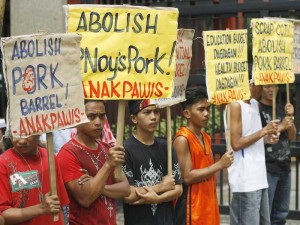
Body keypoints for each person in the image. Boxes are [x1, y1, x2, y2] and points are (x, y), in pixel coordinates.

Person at [57, 99, 130, 225]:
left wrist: (97, 185)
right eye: (91, 116)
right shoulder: (67, 153)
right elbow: (85, 198)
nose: (98, 122)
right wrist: (108, 165)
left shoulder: (107, 148)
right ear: (77, 117)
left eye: (102, 116)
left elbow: (125, 189)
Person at [173, 86, 233, 225]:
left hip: (208, 204)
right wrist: (219, 165)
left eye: (207, 108)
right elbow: (187, 177)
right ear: (187, 113)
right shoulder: (182, 139)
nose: (206, 113)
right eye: (201, 109)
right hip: (192, 209)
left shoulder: (206, 137)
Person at [226, 79, 280, 225]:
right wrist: (264, 131)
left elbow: (252, 137)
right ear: (250, 83)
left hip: (259, 176)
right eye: (260, 84)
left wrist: (266, 138)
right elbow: (236, 143)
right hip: (245, 179)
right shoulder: (235, 105)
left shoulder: (255, 104)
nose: (263, 89)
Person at [122, 99, 183, 225]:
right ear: (134, 118)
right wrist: (161, 187)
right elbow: (128, 195)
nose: (153, 117)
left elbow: (178, 188)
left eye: (156, 112)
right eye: (147, 112)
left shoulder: (166, 146)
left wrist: (157, 198)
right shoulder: (125, 150)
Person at [0, 134, 69, 225]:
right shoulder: (3, 163)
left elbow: (60, 204)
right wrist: (41, 208)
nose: (22, 141)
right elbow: (3, 215)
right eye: (16, 134)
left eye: (27, 134)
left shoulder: (50, 157)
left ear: (39, 132)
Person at [259, 84, 296, 224]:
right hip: (268, 168)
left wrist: (290, 118)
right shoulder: (258, 109)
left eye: (273, 87)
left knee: (281, 214)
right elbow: (257, 139)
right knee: (266, 214)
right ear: (261, 88)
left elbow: (291, 137)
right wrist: (281, 126)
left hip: (285, 167)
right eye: (267, 86)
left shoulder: (281, 108)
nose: (270, 90)